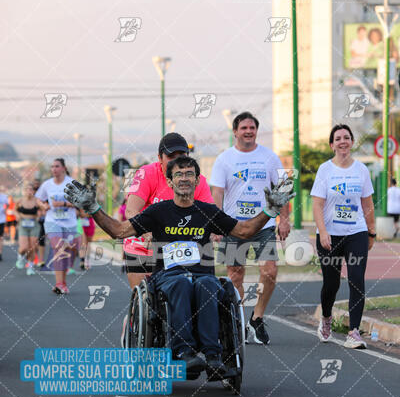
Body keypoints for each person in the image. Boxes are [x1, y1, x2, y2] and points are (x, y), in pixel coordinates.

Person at [65, 156, 294, 377]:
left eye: (189, 174)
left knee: (206, 284)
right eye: (179, 174)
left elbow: (244, 231)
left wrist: (271, 211)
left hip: (202, 275)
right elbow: (119, 230)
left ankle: (213, 356)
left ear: (196, 180)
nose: (184, 178)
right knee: (181, 283)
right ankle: (183, 352)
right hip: (168, 277)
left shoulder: (208, 211)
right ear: (169, 181)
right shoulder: (158, 212)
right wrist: (93, 207)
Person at [210, 111, 290, 345]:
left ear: (256, 131)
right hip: (233, 226)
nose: (248, 131)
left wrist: (283, 220)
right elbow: (217, 193)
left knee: (270, 271)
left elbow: (283, 188)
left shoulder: (270, 157)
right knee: (235, 275)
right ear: (235, 132)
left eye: (252, 128)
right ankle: (239, 321)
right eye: (243, 128)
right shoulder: (224, 159)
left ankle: (257, 317)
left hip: (263, 224)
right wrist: (216, 225)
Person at [311, 124, 375, 349]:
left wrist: (371, 231)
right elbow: (317, 204)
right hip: (330, 235)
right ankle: (326, 318)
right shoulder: (325, 170)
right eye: (338, 138)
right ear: (332, 144)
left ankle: (354, 332)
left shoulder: (361, 170)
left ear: (351, 142)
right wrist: (323, 232)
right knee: (332, 283)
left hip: (355, 233)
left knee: (357, 280)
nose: (342, 141)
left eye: (346, 137)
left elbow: (367, 203)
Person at [123, 132, 214, 290]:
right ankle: (134, 314)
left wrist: (213, 232)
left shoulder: (199, 180)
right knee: (146, 300)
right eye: (171, 156)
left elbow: (210, 216)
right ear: (160, 158)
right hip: (144, 246)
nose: (177, 160)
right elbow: (131, 211)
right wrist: (146, 233)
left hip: (179, 247)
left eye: (182, 155)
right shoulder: (147, 173)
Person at [35, 158, 79, 294]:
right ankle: (59, 284)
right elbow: (39, 199)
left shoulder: (72, 183)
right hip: (52, 221)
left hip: (70, 222)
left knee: (68, 251)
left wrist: (64, 204)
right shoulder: (47, 185)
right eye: (52, 166)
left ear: (64, 168)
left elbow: (81, 202)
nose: (54, 169)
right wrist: (44, 205)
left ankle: (63, 282)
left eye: (57, 166)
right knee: (58, 247)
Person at [15, 183, 42, 275]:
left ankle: (30, 267)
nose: (29, 192)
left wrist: (40, 214)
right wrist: (17, 215)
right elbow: (15, 210)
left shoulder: (36, 201)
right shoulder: (20, 201)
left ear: (33, 191)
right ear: (24, 191)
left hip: (34, 224)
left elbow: (42, 209)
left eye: (31, 190)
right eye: (27, 190)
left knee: (32, 247)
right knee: (23, 248)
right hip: (23, 224)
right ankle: (20, 257)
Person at [0, 190, 8, 261]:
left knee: (0, 238)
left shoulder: (4, 196)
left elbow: (7, 204)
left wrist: (5, 209)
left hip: (1, 220)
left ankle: (0, 253)